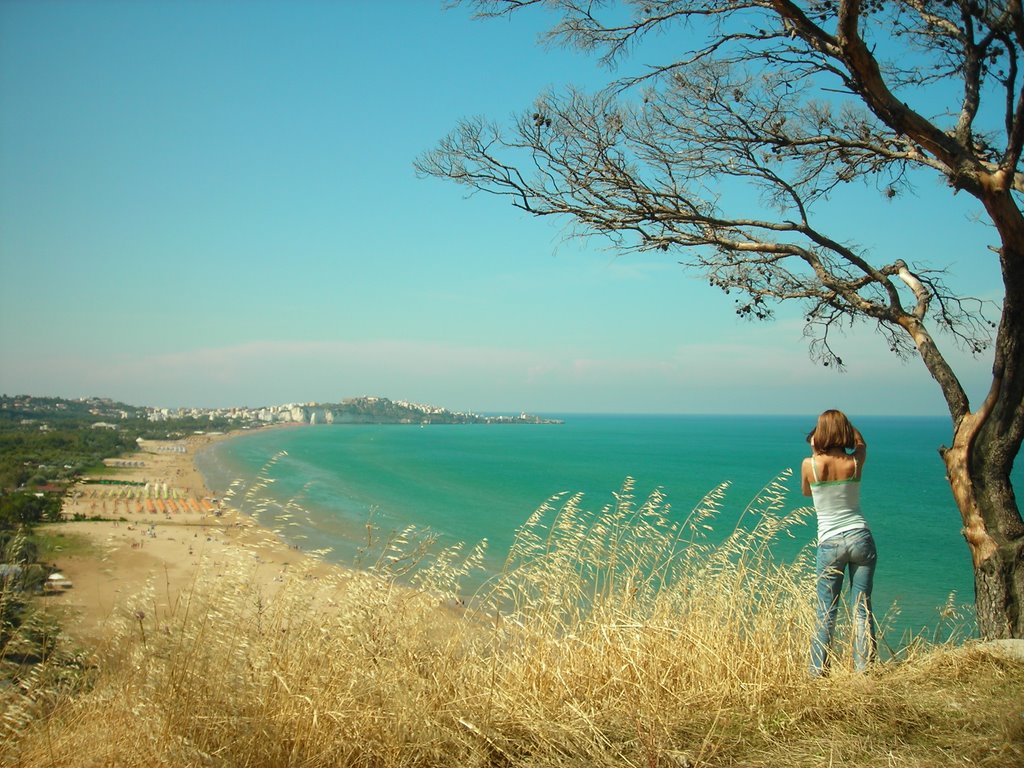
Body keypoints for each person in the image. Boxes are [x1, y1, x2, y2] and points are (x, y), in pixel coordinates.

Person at [801, 409, 877, 676]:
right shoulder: (855, 462)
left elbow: (806, 491)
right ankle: (864, 672)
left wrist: (817, 443)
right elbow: (862, 443)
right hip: (860, 536)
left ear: (819, 434)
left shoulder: (809, 465)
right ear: (844, 432)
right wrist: (848, 428)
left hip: (829, 543)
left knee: (826, 611)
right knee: (862, 609)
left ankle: (817, 673)